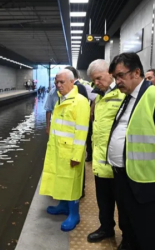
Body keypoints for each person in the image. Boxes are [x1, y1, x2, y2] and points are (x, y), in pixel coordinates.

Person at [108, 53, 155, 250]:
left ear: (136, 72)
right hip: (123, 176)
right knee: (128, 224)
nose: (117, 82)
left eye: (120, 76)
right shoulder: (128, 97)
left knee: (147, 233)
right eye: (115, 77)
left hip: (144, 181)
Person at [39, 69, 90, 232]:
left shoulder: (80, 102)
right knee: (60, 179)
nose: (58, 85)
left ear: (72, 82)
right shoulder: (61, 99)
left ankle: (74, 214)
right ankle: (62, 205)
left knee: (72, 183)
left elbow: (81, 131)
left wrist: (76, 155)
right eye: (56, 82)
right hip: (57, 149)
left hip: (70, 152)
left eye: (61, 82)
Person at [86, 59, 125, 243]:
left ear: (110, 73)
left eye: (99, 78)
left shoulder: (123, 95)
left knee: (123, 203)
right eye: (94, 80)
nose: (96, 83)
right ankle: (106, 228)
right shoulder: (99, 96)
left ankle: (128, 237)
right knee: (103, 199)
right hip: (101, 159)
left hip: (118, 162)